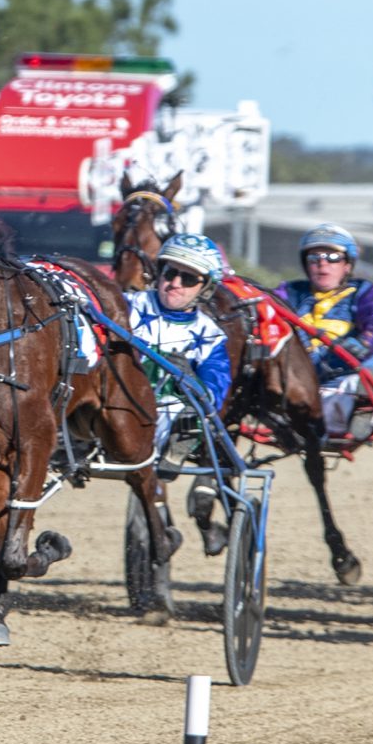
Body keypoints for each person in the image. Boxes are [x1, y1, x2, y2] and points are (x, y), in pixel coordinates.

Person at [125, 232, 232, 555]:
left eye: (188, 278)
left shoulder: (210, 336)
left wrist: (191, 380)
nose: (175, 283)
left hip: (172, 416)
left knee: (196, 413)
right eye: (169, 273)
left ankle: (177, 449)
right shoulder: (126, 306)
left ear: (205, 287)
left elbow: (215, 387)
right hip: (122, 409)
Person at [274, 223, 373, 438]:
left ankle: (362, 405)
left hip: (343, 377)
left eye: (332, 258)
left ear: (347, 265)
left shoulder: (364, 292)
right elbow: (262, 308)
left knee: (349, 386)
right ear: (306, 265)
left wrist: (365, 342)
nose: (323, 264)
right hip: (294, 378)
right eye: (314, 258)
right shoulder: (289, 292)